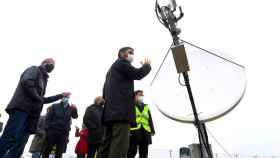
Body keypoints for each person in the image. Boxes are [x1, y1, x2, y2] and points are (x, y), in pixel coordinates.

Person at [0, 58, 70, 158]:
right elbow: (27, 82)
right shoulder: (34, 69)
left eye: (54, 65)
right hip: (21, 109)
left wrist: (60, 95)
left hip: (30, 116)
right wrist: (38, 98)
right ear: (44, 63)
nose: (52, 66)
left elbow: (42, 99)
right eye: (51, 63)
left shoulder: (44, 79)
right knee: (10, 137)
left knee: (20, 144)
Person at [97, 47, 151, 158]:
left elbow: (104, 92)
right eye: (130, 52)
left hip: (110, 115)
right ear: (121, 54)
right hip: (121, 115)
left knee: (106, 147)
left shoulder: (110, 71)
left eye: (133, 53)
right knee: (119, 147)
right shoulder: (122, 63)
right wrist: (147, 66)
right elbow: (138, 74)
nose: (132, 55)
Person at [127, 90, 155, 158]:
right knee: (132, 151)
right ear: (135, 96)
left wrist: (152, 130)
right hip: (134, 132)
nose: (141, 97)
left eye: (142, 95)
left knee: (144, 153)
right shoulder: (131, 106)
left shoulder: (146, 107)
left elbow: (150, 119)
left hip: (145, 132)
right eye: (139, 95)